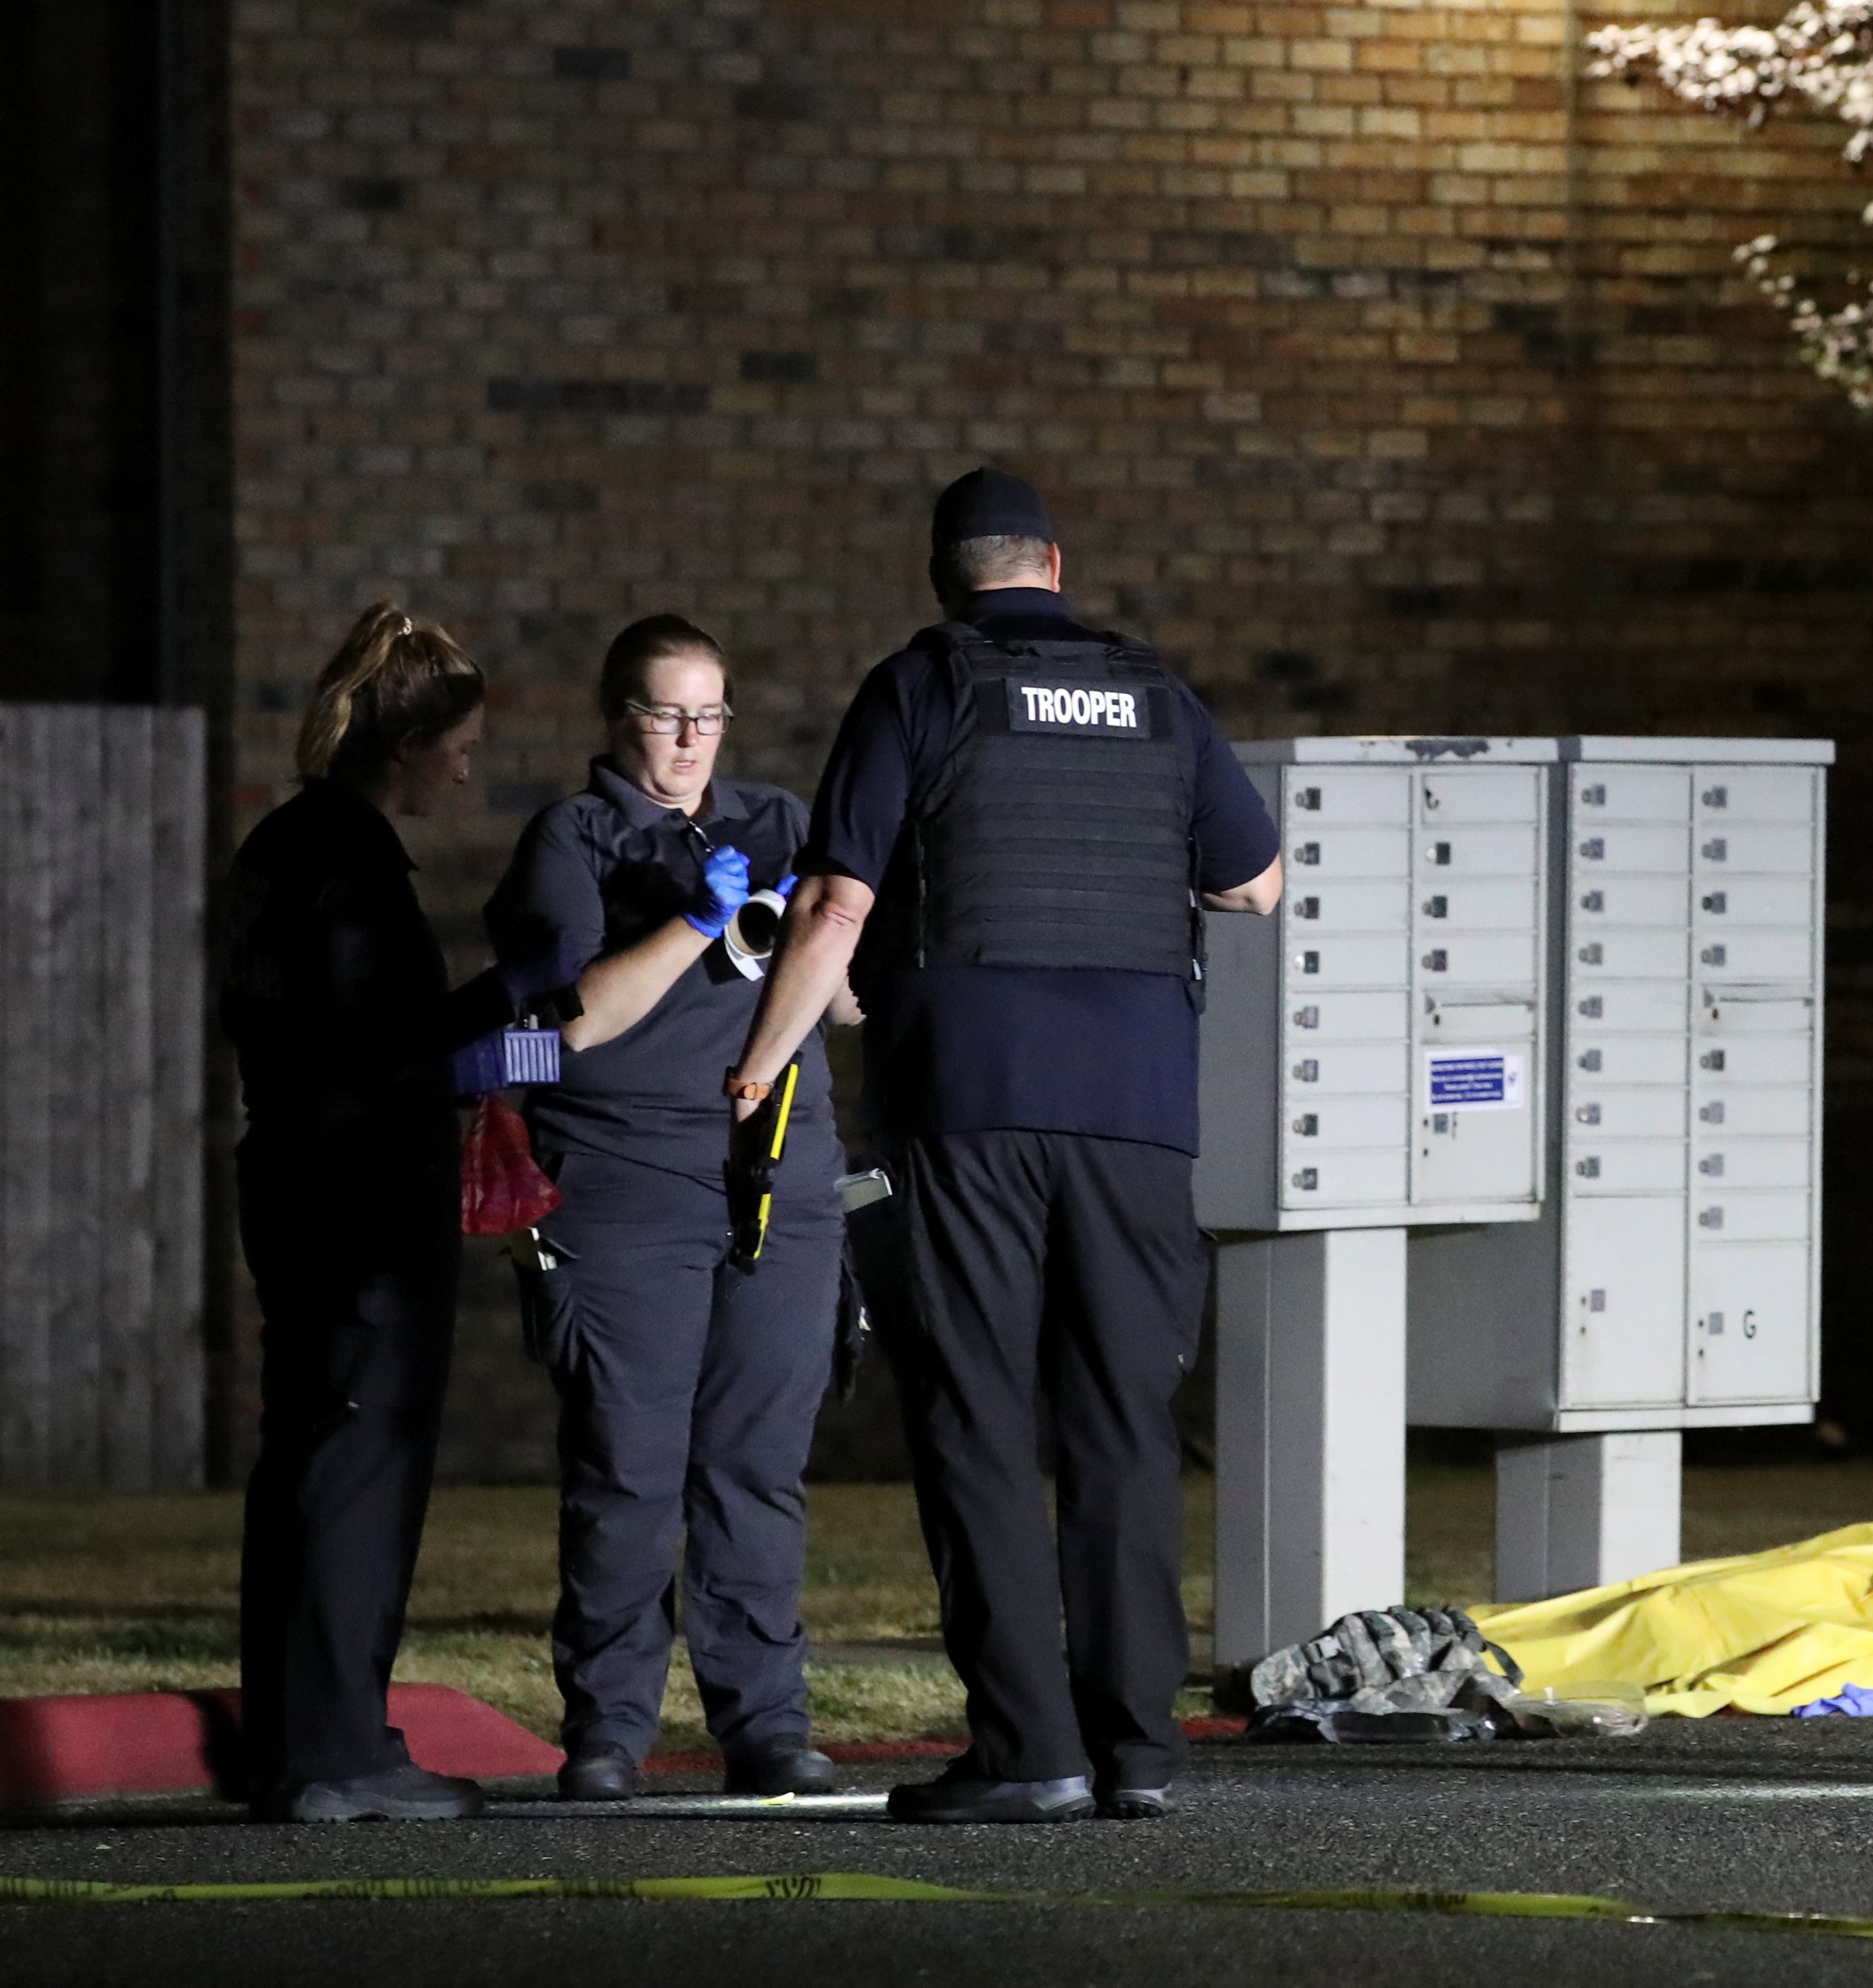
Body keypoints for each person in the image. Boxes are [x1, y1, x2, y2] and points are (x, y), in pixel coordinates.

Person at [728, 467, 1280, 1823]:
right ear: (1055, 560)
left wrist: (756, 1068)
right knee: (1121, 1422)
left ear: (945, 574)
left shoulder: (920, 685)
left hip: (970, 1099)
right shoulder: (1156, 694)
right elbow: (1255, 880)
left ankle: (1029, 1749)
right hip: (1140, 1114)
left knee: (977, 1412)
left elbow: (837, 904)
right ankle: (1139, 1751)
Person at [482, 616, 856, 1801]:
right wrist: (693, 923)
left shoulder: (776, 818)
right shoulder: (574, 837)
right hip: (627, 1183)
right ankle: (609, 1728)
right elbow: (570, 1024)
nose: (689, 739)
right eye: (663, 713)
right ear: (616, 717)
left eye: (708, 714)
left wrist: (818, 922)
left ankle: (766, 1722)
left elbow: (845, 1009)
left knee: (757, 1463)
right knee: (628, 1465)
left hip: (779, 1179)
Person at [221, 600, 534, 1822]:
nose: (468, 761)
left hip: (295, 1179)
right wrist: (519, 1020)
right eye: (457, 738)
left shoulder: (282, 846)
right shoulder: (349, 863)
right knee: (359, 1463)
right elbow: (386, 1053)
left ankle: (302, 1737)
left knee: (306, 1454)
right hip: (358, 1202)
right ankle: (338, 1752)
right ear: (409, 739)